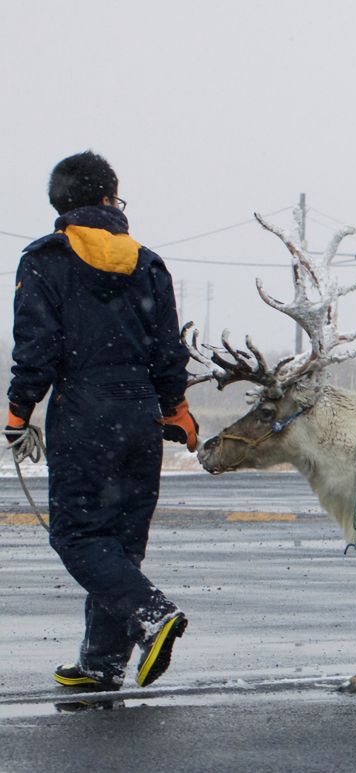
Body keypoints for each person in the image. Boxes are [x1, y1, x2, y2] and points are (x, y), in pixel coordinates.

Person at [6, 150, 198, 693]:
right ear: (110, 198)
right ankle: (101, 662)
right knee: (120, 538)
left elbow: (36, 345)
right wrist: (175, 410)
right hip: (138, 412)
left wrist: (20, 410)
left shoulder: (46, 259)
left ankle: (151, 613)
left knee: (78, 536)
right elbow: (168, 349)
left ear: (59, 202)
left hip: (84, 410)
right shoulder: (149, 262)